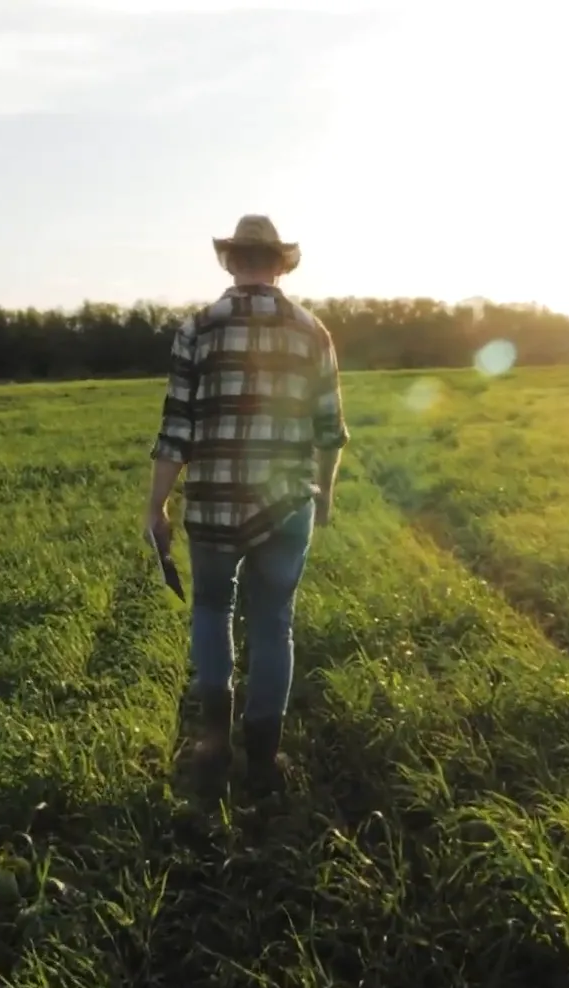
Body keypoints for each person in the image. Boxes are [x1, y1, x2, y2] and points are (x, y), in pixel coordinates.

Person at [143, 214, 349, 798]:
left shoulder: (197, 329)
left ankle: (213, 742)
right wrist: (325, 495)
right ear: (280, 264)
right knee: (273, 623)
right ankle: (263, 758)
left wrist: (156, 507)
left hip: (210, 502)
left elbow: (175, 428)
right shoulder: (314, 332)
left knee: (210, 608)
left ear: (232, 261)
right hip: (286, 505)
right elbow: (329, 431)